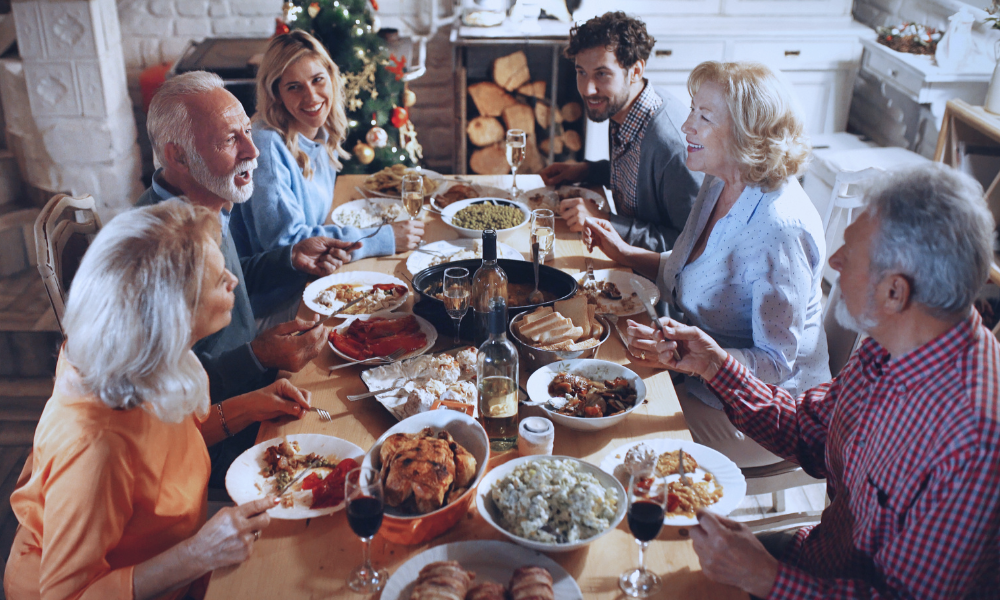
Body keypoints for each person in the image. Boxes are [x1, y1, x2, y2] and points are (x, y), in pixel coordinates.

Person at [631, 163, 1000, 598]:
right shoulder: (891, 344)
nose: (835, 261)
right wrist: (715, 365)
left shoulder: (973, 437)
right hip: (812, 559)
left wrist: (765, 578)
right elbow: (808, 430)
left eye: (852, 254)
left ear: (895, 291)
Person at [4, 200, 301, 600]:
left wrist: (252, 405)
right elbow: (66, 595)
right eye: (217, 281)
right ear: (171, 316)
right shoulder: (96, 448)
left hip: (175, 559)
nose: (233, 279)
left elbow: (170, 448)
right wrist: (197, 555)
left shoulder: (140, 358)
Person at [588, 61, 828, 468]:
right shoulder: (720, 180)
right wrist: (625, 255)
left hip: (763, 413)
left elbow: (774, 363)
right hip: (700, 375)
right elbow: (695, 270)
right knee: (595, 385)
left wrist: (694, 358)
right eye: (691, 110)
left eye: (703, 116)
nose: (686, 126)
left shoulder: (778, 228)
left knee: (614, 431)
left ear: (748, 131)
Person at [138, 71, 347, 484]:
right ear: (177, 156)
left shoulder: (208, 199)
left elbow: (227, 281)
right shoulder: (154, 252)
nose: (253, 151)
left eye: (248, 132)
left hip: (259, 384)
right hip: (212, 442)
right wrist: (258, 356)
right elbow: (165, 398)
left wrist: (288, 258)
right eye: (229, 140)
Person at [229, 30, 424, 268]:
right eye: (294, 87)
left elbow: (314, 226)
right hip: (279, 293)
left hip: (319, 271)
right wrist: (381, 237)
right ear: (276, 94)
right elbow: (288, 245)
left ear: (331, 77)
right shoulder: (266, 145)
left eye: (317, 80)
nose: (311, 96)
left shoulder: (321, 133)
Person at [539, 11, 701, 252]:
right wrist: (587, 170)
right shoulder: (622, 107)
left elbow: (692, 245)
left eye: (601, 74)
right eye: (581, 72)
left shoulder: (672, 147)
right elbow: (635, 177)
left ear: (635, 71)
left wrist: (605, 220)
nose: (587, 89)